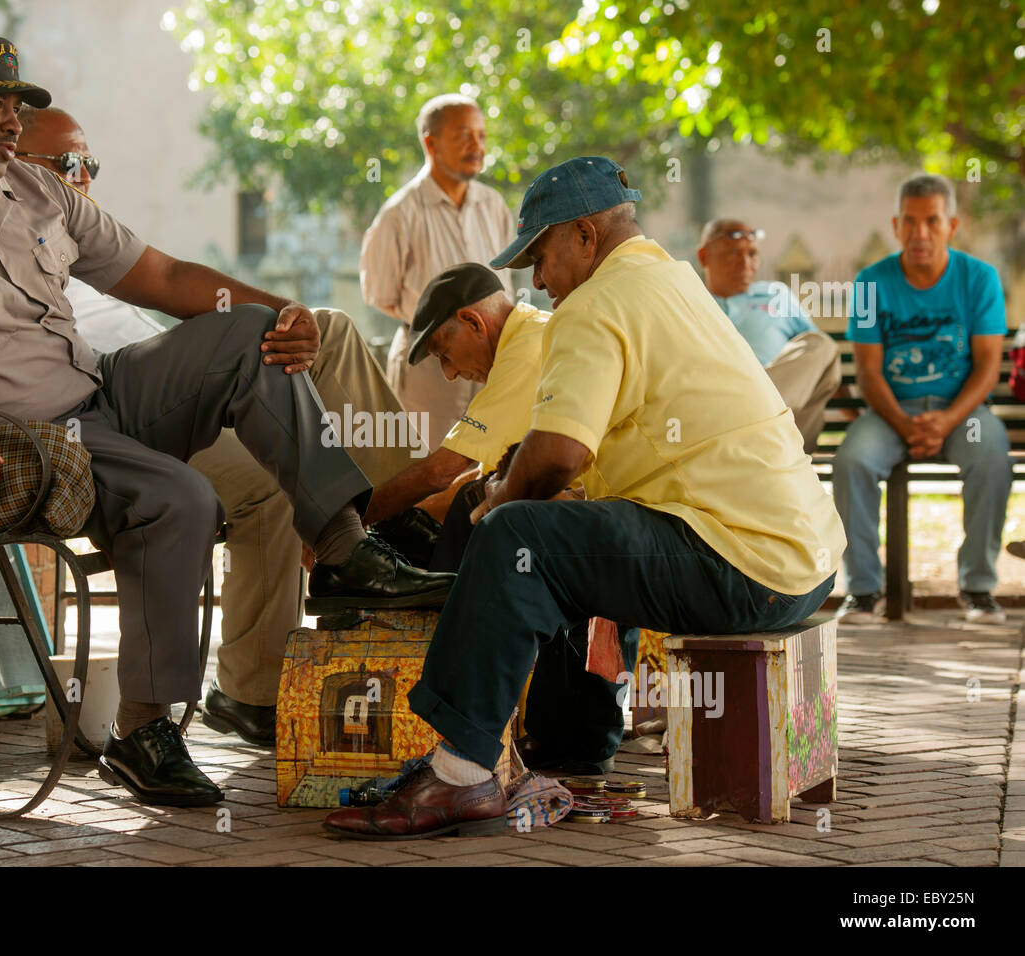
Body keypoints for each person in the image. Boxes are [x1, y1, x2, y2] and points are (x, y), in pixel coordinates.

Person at [0, 32, 454, 808]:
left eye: (18, 105)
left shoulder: (36, 191)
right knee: (181, 496)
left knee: (251, 336)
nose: (13, 121)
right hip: (32, 441)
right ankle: (141, 733)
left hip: (106, 393)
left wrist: (280, 311)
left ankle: (346, 546)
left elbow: (160, 276)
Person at [323, 156, 844, 840]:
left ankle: (459, 775)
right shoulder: (672, 282)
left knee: (513, 535)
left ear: (584, 237)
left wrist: (494, 504)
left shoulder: (595, 303)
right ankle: (569, 738)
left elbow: (556, 455)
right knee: (559, 531)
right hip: (803, 562)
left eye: (539, 256)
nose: (538, 280)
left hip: (741, 561)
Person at [15, 105, 420, 747]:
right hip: (106, 430)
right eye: (66, 164)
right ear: (14, 163)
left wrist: (282, 312)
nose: (83, 176)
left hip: (175, 401)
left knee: (323, 332)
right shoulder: (0, 252)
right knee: (274, 457)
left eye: (89, 163)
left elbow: (172, 280)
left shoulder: (84, 243)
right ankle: (258, 680)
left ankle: (394, 535)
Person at [834, 174, 1010, 625]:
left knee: (991, 454)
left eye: (932, 221)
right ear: (896, 226)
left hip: (963, 411)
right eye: (910, 222)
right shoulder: (872, 282)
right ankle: (863, 590)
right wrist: (903, 421)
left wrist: (948, 419)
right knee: (852, 459)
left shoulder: (979, 279)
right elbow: (869, 371)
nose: (920, 233)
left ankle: (977, 587)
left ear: (952, 225)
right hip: (892, 410)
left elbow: (989, 365)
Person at [360, 94, 514, 448]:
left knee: (492, 469)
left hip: (495, 364)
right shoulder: (399, 214)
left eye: (482, 136)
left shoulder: (494, 206)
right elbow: (380, 296)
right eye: (464, 135)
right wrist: (448, 335)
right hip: (429, 370)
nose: (477, 146)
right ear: (430, 142)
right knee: (427, 471)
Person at [361, 262, 549, 529]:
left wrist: (354, 520)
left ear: (473, 322)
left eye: (444, 354)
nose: (449, 374)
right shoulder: (527, 333)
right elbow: (479, 478)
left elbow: (439, 472)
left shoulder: (526, 351)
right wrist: (401, 514)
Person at [697, 218, 842, 452]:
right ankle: (753, 428)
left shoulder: (777, 296)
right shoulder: (688, 301)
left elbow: (820, 361)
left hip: (784, 426)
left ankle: (754, 423)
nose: (745, 263)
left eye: (752, 254)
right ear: (704, 257)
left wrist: (855, 416)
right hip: (713, 412)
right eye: (734, 253)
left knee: (821, 345)